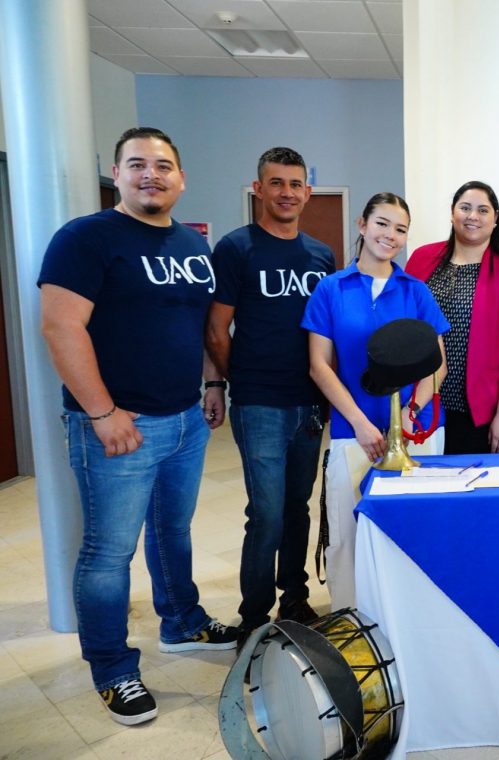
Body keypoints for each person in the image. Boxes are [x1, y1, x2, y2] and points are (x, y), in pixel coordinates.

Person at [38, 127, 239, 726]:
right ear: (118, 174)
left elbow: (199, 325)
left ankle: (181, 622)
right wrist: (102, 412)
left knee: (172, 532)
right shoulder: (85, 238)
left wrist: (212, 385)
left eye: (163, 165)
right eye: (137, 164)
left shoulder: (193, 244)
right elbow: (60, 327)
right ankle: (112, 669)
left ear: (181, 177)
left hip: (184, 420)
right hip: (118, 426)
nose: (151, 174)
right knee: (108, 554)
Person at [206, 147, 335, 636]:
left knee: (297, 508)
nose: (286, 192)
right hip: (259, 402)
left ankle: (295, 600)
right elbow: (216, 329)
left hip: (310, 402)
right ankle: (255, 617)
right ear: (259, 189)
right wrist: (233, 380)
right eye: (276, 183)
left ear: (308, 192)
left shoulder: (321, 255)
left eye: (295, 184)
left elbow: (327, 330)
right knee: (265, 514)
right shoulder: (236, 248)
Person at [302, 192, 448, 611]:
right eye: (382, 223)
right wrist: (361, 424)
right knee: (347, 534)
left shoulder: (416, 291)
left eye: (400, 229)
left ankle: (410, 617)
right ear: (362, 225)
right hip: (354, 430)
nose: (390, 235)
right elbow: (319, 366)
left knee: (413, 531)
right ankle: (350, 618)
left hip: (417, 432)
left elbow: (438, 365)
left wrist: (410, 413)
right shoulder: (331, 289)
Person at [406, 181, 499, 454]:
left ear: (495, 219)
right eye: (465, 208)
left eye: (483, 210)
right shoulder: (422, 258)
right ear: (452, 213)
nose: (473, 216)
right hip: (421, 401)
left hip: (476, 409)